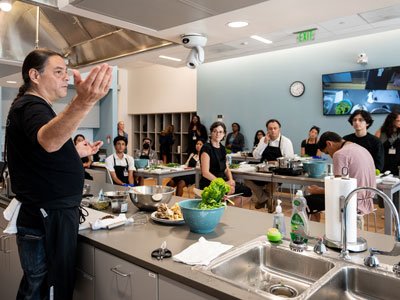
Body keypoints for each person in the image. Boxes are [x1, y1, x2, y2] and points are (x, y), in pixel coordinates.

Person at [5, 48, 112, 300]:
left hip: (47, 214)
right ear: (35, 75)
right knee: (46, 290)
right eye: (58, 71)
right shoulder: (32, 105)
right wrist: (84, 101)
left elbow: (44, 151)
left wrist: (73, 152)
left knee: (39, 286)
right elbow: (49, 141)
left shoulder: (31, 107)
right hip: (47, 217)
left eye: (66, 71)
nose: (66, 77)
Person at [306, 131, 376, 221]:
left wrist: (318, 190)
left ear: (329, 143)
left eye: (327, 153)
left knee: (305, 201)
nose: (330, 156)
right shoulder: (360, 148)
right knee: (314, 198)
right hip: (368, 200)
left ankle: (313, 231)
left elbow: (338, 189)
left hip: (351, 201)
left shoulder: (339, 154)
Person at [245, 119, 294, 211]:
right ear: (267, 129)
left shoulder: (286, 142)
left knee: (271, 183)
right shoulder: (263, 139)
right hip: (263, 170)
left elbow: (289, 161)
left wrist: (275, 163)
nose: (273, 131)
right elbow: (255, 156)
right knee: (247, 178)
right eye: (270, 128)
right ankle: (265, 199)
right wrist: (264, 143)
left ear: (279, 129)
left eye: (275, 128)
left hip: (278, 172)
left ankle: (266, 202)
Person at [200, 121, 252, 205]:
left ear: (224, 134)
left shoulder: (223, 149)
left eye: (220, 132)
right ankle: (223, 207)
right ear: (211, 133)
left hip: (223, 181)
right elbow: (205, 173)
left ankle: (227, 209)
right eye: (215, 131)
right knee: (225, 193)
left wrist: (231, 180)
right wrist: (224, 184)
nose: (217, 134)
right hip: (210, 182)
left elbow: (226, 168)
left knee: (247, 192)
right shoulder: (206, 148)